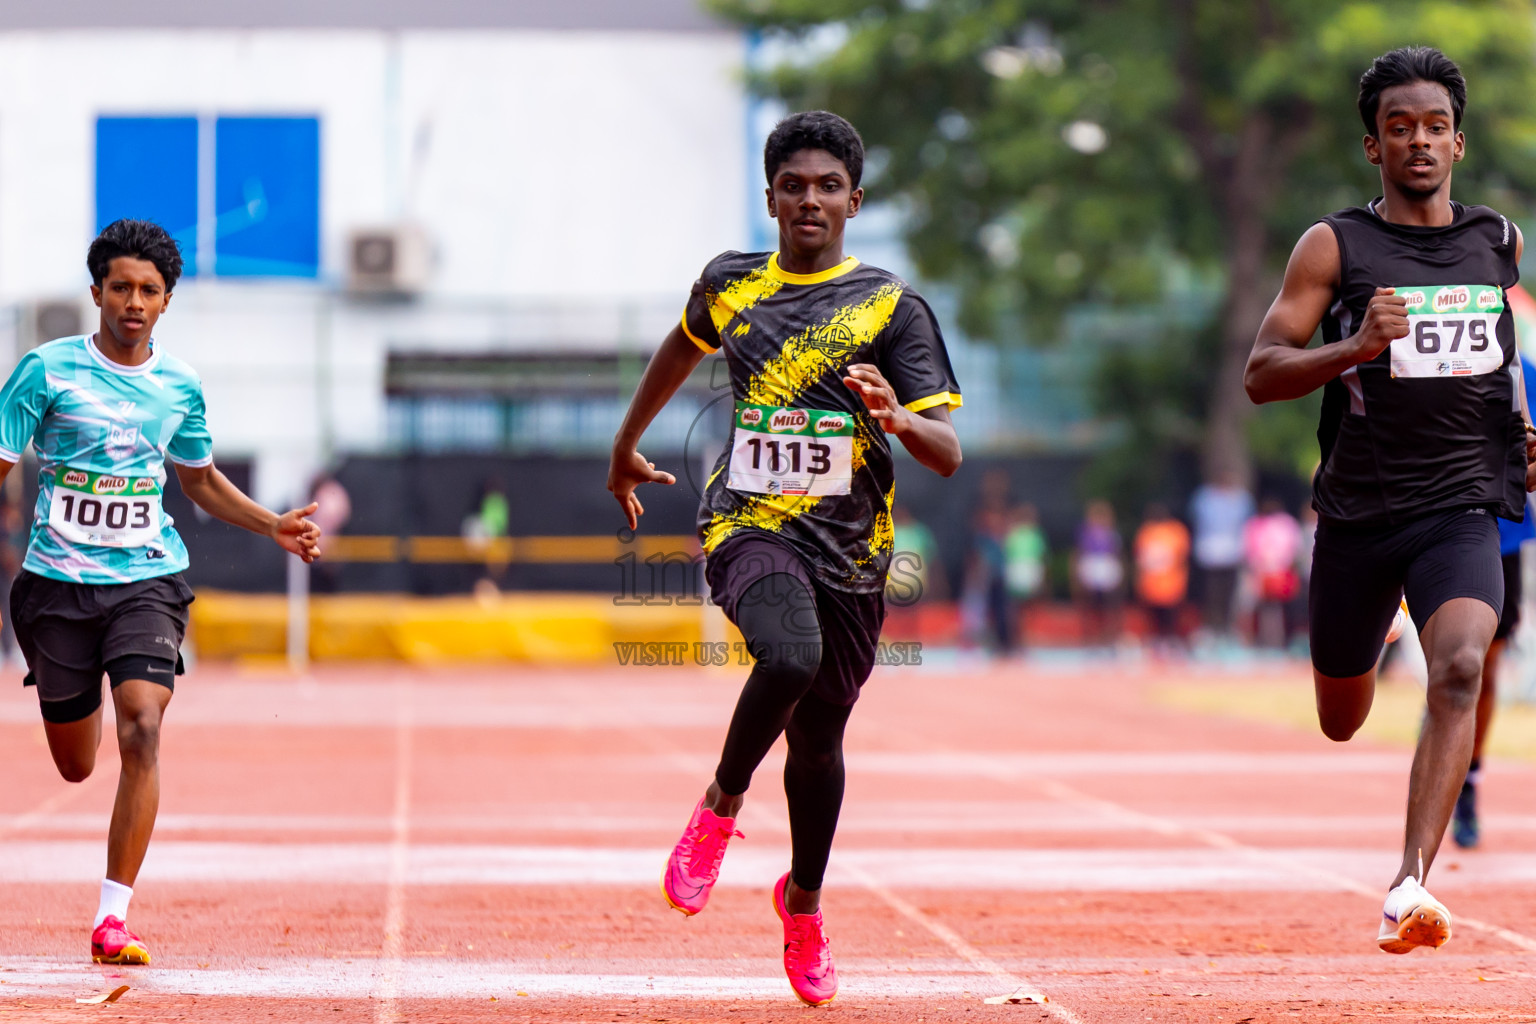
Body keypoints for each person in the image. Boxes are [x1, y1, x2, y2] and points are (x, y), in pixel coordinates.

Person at [606, 111, 962, 1005]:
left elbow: (947, 450)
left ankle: (802, 907)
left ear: (855, 200)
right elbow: (678, 348)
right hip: (748, 523)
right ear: (769, 197)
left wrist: (899, 416)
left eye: (828, 186)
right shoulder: (730, 285)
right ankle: (719, 809)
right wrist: (626, 442)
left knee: (820, 739)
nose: (811, 199)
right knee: (788, 654)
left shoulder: (891, 305)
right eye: (794, 185)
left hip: (853, 551)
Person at [1244, 48, 1534, 954]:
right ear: (1373, 146)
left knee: (1459, 667)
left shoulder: (1498, 239)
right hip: (1362, 517)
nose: (1419, 142)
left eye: (1435, 126)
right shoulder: (1333, 246)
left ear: (1459, 140)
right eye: (1399, 128)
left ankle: (1409, 884)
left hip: (1461, 506)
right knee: (1343, 717)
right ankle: (1361, 648)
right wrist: (1355, 347)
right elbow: (1262, 374)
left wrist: (1524, 432)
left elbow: (1496, 359)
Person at [0, 220, 322, 965]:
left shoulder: (179, 385)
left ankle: (113, 917)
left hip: (146, 578)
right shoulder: (44, 372)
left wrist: (270, 523)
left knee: (141, 725)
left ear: (167, 300)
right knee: (77, 765)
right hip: (56, 587)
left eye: (148, 290)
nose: (133, 302)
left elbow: (199, 479)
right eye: (121, 288)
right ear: (97, 293)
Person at [1455, 349, 1536, 848]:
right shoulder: (1427, 350)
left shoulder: (1524, 371)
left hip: (1500, 536)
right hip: (1430, 526)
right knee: (1456, 666)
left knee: (1478, 669)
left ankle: (1468, 780)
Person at [1189, 470, 1254, 638]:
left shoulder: (1241, 498)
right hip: (1210, 550)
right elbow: (1197, 521)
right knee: (1211, 592)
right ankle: (1211, 626)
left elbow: (1247, 524)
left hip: (1232, 550)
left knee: (1229, 592)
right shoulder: (1204, 497)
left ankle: (1227, 626)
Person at [1243, 499, 1303, 648]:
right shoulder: (1258, 524)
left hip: (1280, 572)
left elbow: (1294, 549)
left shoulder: (1285, 524)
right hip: (1265, 572)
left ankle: (1281, 640)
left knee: (1280, 608)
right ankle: (1266, 640)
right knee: (1265, 608)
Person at [1133, 503, 1189, 652]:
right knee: (1154, 617)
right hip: (1152, 583)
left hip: (1171, 583)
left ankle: (1170, 641)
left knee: (1171, 616)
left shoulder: (1176, 531)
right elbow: (1141, 558)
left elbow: (1181, 556)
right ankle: (1157, 641)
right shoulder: (1146, 532)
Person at [1072, 499, 1123, 647]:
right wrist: (1078, 573)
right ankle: (1089, 637)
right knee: (1089, 603)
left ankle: (1110, 636)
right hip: (1092, 564)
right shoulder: (1085, 533)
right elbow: (1079, 553)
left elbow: (1116, 554)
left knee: (1110, 603)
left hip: (1106, 565)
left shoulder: (1112, 533)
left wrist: (1118, 573)